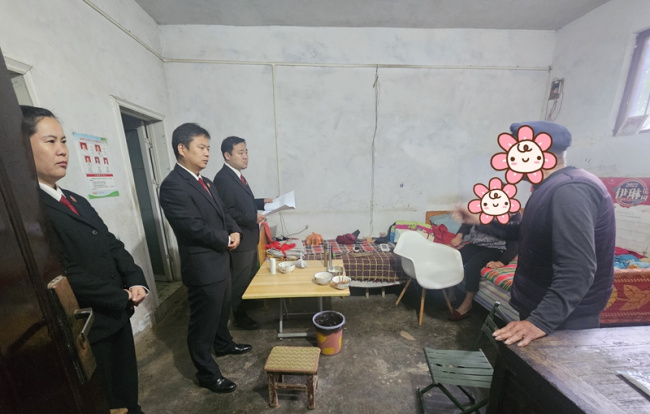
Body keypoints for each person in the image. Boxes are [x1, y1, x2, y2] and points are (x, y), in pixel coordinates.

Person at [22, 106, 148, 413]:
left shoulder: (75, 200)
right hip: (88, 325)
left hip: (117, 314)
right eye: (51, 141)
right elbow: (61, 271)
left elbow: (110, 243)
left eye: (64, 141)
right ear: (21, 148)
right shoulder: (29, 211)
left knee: (127, 391)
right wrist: (118, 296)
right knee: (104, 398)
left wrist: (136, 280)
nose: (62, 150)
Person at [456, 121, 615, 347]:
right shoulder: (549, 188)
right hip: (542, 307)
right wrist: (482, 222)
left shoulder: (570, 190)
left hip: (563, 318)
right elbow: (525, 233)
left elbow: (578, 268)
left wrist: (539, 321)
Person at [158, 123, 251, 394]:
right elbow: (192, 227)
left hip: (220, 261)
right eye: (201, 147)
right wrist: (225, 238)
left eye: (208, 148)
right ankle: (207, 374)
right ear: (182, 148)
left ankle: (223, 344)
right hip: (202, 267)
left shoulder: (206, 182)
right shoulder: (173, 186)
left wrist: (234, 230)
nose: (207, 153)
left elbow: (224, 212)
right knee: (203, 323)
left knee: (221, 311)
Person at [213, 136, 272, 330]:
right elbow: (226, 212)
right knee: (239, 279)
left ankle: (247, 304)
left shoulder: (237, 175)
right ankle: (239, 316)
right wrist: (251, 218)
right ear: (227, 155)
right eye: (240, 152)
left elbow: (242, 202)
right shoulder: (223, 179)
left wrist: (261, 202)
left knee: (248, 275)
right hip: (241, 238)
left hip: (249, 237)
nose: (245, 156)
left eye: (246, 152)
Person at [448, 213, 520, 321]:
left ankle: (467, 303)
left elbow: (515, 241)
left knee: (472, 265)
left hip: (496, 248)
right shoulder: (478, 207)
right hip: (475, 244)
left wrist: (502, 261)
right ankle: (451, 294)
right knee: (454, 259)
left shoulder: (513, 213)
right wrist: (459, 236)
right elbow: (467, 223)